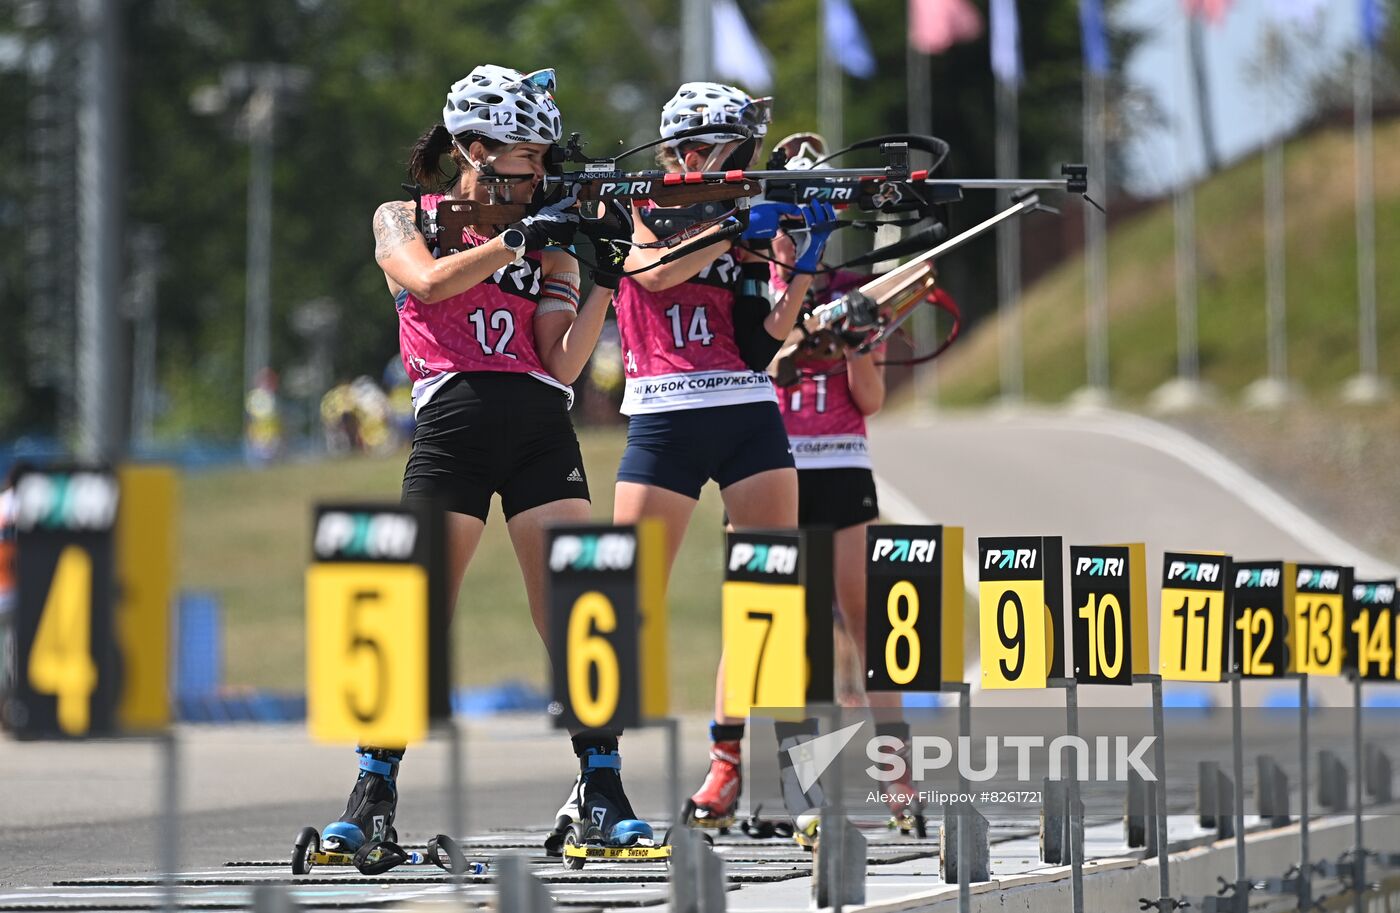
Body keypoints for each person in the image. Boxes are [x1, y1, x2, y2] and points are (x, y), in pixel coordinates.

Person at [324, 64, 629, 855]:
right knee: (410, 615)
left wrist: (609, 273)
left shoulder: (548, 234)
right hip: (451, 425)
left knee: (578, 609)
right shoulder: (405, 216)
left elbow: (560, 363)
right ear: (474, 147)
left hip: (539, 427)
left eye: (542, 159)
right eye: (527, 158)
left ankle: (602, 785)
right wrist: (514, 240)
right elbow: (425, 284)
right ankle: (372, 790)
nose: (540, 174)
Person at [605, 82, 837, 830]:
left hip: (745, 409)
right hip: (665, 413)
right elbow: (653, 273)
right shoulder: (642, 205)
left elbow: (769, 337)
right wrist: (735, 221)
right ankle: (597, 779)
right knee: (620, 599)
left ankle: (751, 769)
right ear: (701, 148)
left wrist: (803, 259)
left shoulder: (745, 223)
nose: (750, 162)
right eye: (739, 148)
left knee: (769, 601)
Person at [766, 133, 924, 836]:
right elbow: (758, 374)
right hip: (771, 471)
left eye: (809, 226)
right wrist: (796, 345)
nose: (796, 239)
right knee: (786, 638)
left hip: (840, 466)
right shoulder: (755, 291)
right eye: (787, 225)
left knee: (869, 630)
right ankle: (802, 792)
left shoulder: (852, 293)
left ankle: (900, 783)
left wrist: (858, 340)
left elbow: (870, 398)